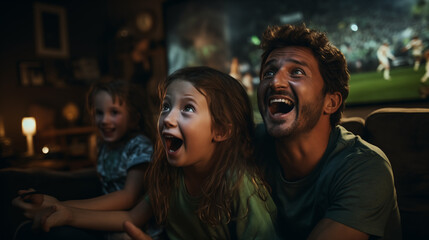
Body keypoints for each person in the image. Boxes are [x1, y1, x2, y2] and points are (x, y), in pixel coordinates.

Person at [18, 66, 278, 240]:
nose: (167, 119)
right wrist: (67, 213)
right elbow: (131, 217)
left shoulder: (241, 188)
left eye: (187, 108)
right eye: (166, 107)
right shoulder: (171, 175)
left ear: (221, 130)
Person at [255, 24, 401, 239]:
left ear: (331, 102)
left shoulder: (365, 167)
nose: (275, 81)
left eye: (297, 72)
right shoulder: (249, 143)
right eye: (269, 72)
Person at [13, 80, 159, 240]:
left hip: (131, 223)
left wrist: (63, 206)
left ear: (134, 119)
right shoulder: (103, 145)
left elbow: (128, 197)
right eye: (99, 113)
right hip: (102, 217)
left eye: (114, 112)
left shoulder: (139, 145)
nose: (104, 120)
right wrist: (51, 202)